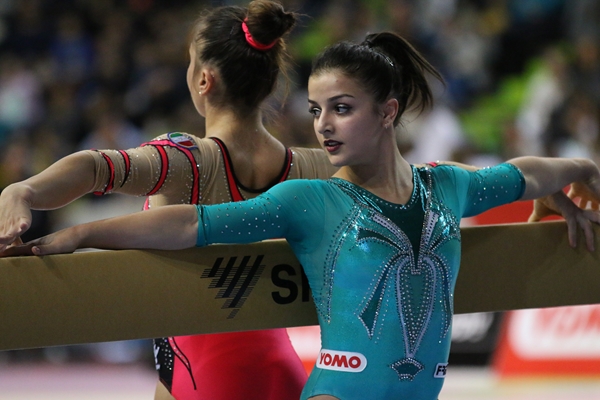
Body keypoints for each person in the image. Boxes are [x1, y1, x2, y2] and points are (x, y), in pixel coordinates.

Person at [5, 31, 600, 400]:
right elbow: (189, 223)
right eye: (316, 110)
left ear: (388, 111)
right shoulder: (310, 190)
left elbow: (522, 173)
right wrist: (78, 234)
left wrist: (577, 173)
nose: (324, 124)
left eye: (340, 108)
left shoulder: (441, 185)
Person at [0, 2, 339, 400]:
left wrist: (22, 190)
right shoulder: (314, 165)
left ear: (204, 79)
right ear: (270, 81)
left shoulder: (187, 161)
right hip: (282, 371)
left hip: (205, 375)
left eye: (190, 62)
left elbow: (94, 167)